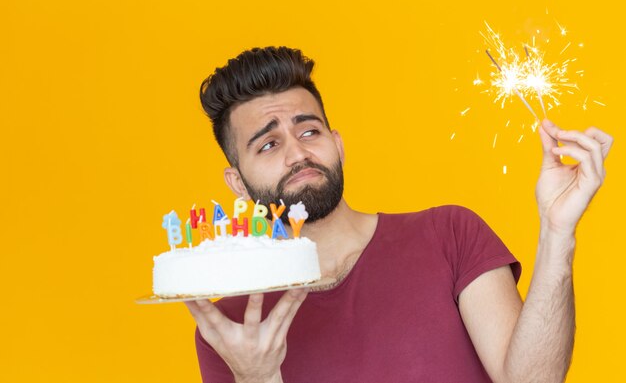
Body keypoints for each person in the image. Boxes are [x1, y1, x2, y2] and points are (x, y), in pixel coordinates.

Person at [184, 46, 613, 383]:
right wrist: (255, 377)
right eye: (269, 145)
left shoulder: (449, 234)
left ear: (338, 145)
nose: (298, 152)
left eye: (308, 130)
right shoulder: (230, 325)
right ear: (237, 184)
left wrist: (558, 230)